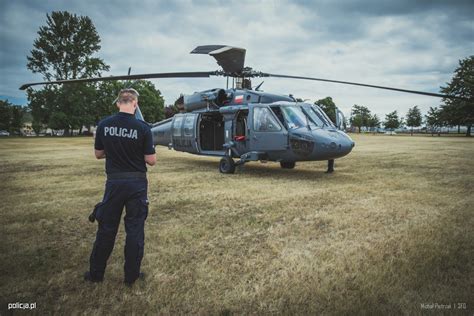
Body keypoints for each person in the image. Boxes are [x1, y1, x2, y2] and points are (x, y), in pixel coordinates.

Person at [84, 88, 156, 286]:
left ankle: (96, 274)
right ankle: (131, 277)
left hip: (114, 183)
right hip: (137, 185)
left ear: (118, 103)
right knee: (135, 230)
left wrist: (115, 152)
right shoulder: (143, 128)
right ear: (135, 104)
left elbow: (99, 154)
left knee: (106, 229)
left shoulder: (104, 125)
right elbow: (151, 160)